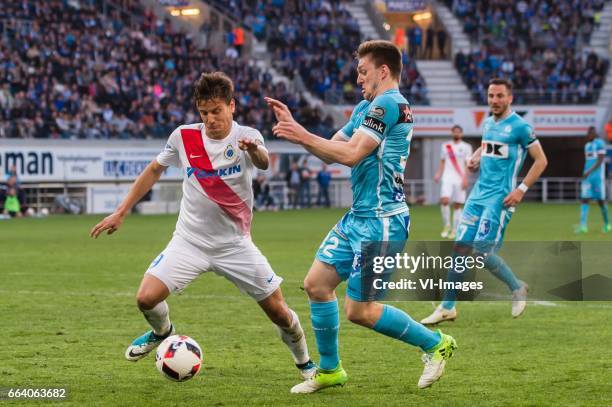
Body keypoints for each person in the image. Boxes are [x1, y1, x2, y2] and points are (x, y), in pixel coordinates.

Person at [90, 72, 316, 381]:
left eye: (216, 111)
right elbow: (155, 169)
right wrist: (121, 211)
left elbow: (263, 161)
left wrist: (252, 150)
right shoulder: (184, 137)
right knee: (145, 298)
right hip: (189, 242)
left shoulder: (247, 135)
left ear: (231, 106)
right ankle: (162, 332)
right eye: (204, 113)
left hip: (235, 244)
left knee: (279, 311)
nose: (210, 119)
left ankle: (305, 364)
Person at [265, 40, 457, 393]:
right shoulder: (367, 107)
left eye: (363, 71)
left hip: (383, 222)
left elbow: (352, 154)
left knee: (360, 310)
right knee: (316, 285)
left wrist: (303, 135)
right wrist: (299, 133)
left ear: (383, 71)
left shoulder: (389, 103)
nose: (358, 78)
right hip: (359, 217)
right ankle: (330, 370)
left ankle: (435, 343)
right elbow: (332, 151)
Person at [421, 78, 548, 325]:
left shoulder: (521, 127)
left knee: (480, 252)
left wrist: (521, 189)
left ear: (510, 98)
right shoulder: (488, 122)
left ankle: (517, 287)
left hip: (500, 199)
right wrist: (475, 157)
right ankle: (447, 307)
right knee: (459, 249)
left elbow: (541, 160)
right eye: (491, 96)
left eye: (500, 96)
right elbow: (486, 146)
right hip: (477, 195)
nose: (495, 100)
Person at [434, 125, 473, 239]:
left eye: (458, 132)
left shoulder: (467, 147)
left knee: (457, 205)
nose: (456, 134)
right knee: (445, 201)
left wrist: (466, 178)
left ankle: (455, 230)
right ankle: (447, 226)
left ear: (461, 134)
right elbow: (442, 161)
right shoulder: (446, 146)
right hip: (447, 177)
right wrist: (438, 174)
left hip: (460, 178)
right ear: (452, 133)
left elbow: (468, 164)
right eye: (454, 132)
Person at [576, 126, 610, 233]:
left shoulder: (600, 143)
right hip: (587, 178)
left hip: (597, 178)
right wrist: (585, 172)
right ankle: (583, 226)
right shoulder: (587, 146)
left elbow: (600, 161)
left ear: (595, 133)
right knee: (584, 199)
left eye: (592, 133)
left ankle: (607, 224)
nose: (589, 135)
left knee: (600, 201)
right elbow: (588, 162)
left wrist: (588, 171)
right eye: (588, 133)